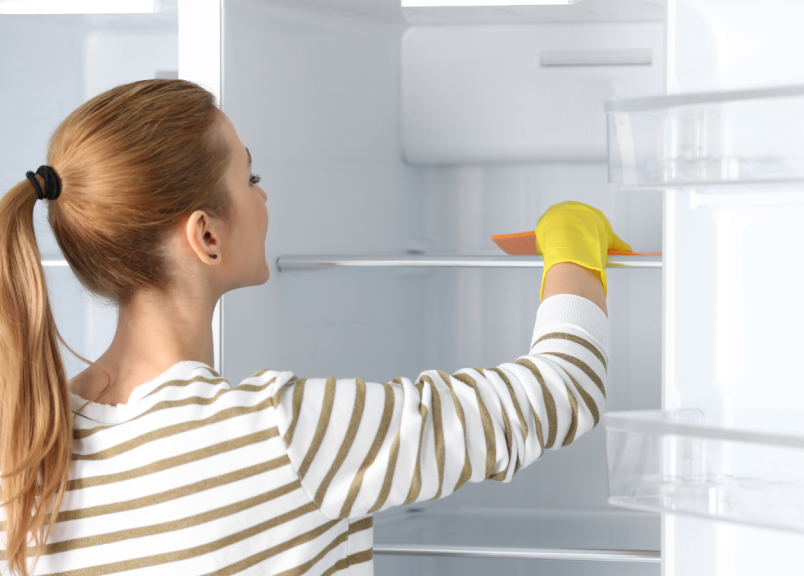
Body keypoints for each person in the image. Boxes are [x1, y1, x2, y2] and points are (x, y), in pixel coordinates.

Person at [0, 79, 631, 576]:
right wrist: (572, 242)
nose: (263, 196)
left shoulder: (26, 451)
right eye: (249, 177)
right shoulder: (280, 436)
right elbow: (561, 390)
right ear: (207, 235)